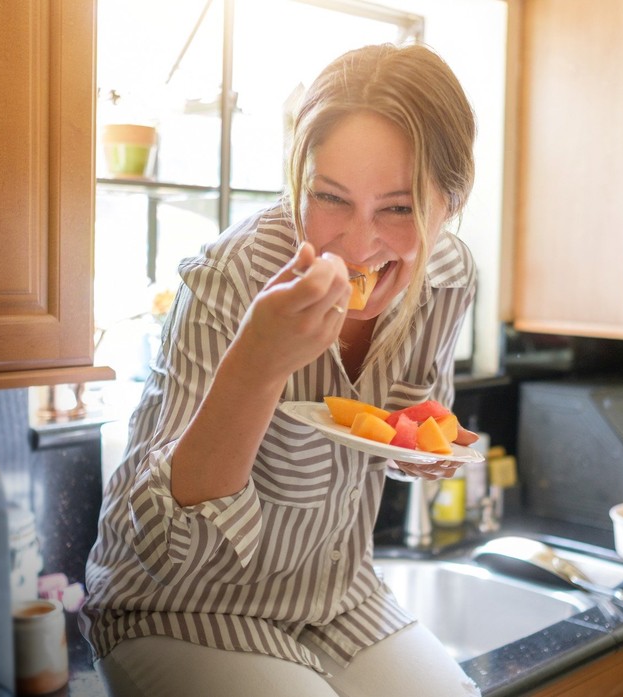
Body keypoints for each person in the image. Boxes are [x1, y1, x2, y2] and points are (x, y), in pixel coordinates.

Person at [81, 42, 480, 697]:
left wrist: (422, 444)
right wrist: (255, 366)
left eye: (399, 207)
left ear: (450, 204)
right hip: (178, 607)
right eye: (329, 197)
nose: (356, 243)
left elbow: (407, 415)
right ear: (297, 178)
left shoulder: (447, 275)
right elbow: (159, 545)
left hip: (336, 600)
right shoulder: (229, 278)